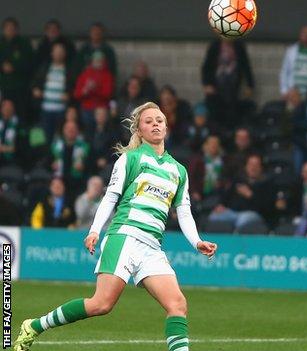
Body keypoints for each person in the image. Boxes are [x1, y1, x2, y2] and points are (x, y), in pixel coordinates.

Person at [14, 101, 217, 351]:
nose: (155, 124)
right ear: (139, 131)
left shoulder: (179, 171)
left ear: (167, 126)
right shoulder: (130, 159)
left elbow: (183, 211)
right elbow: (110, 197)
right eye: (149, 121)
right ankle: (34, 326)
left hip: (152, 246)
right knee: (101, 304)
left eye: (160, 120)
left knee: (177, 305)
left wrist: (197, 241)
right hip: (124, 236)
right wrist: (94, 230)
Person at [209, 154, 276, 231]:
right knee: (214, 216)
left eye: (256, 165)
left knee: (242, 220)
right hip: (232, 212)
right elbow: (227, 196)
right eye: (250, 164)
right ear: (246, 166)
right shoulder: (239, 180)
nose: (253, 168)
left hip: (253, 214)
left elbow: (267, 208)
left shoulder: (267, 183)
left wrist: (250, 195)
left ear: (261, 167)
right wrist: (221, 205)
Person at [201, 38, 255, 128]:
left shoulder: (239, 46)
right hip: (216, 87)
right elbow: (206, 67)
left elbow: (246, 66)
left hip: (232, 88)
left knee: (231, 115)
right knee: (215, 115)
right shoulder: (215, 46)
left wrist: (250, 85)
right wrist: (206, 84)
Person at [32, 42, 73, 143]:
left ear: (64, 54)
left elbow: (73, 87)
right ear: (52, 53)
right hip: (45, 108)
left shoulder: (68, 69)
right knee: (44, 137)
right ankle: (44, 157)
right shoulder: (45, 67)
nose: (58, 54)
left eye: (61, 51)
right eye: (56, 51)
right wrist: (36, 90)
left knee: (59, 137)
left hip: (61, 110)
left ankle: (57, 158)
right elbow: (34, 83)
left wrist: (69, 94)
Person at [73, 52, 114, 140]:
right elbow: (77, 94)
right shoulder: (85, 74)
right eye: (96, 60)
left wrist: (95, 88)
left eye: (100, 61)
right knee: (87, 132)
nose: (98, 62)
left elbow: (108, 94)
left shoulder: (107, 75)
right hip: (87, 109)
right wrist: (86, 90)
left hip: (101, 109)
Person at [0, 17, 33, 119]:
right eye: (7, 28)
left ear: (17, 30)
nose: (9, 30)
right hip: (3, 85)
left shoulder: (24, 44)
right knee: (4, 112)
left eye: (12, 28)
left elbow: (30, 62)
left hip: (20, 86)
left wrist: (14, 67)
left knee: (20, 113)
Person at [50, 120, 90, 203]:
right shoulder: (55, 145)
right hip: (59, 180)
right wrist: (52, 165)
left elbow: (92, 165)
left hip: (77, 182)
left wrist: (84, 166)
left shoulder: (85, 146)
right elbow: (46, 162)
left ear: (78, 131)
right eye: (68, 128)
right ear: (63, 130)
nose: (70, 130)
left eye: (73, 128)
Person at [188, 135, 224, 202]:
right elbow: (190, 177)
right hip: (200, 192)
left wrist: (221, 183)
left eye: (216, 144)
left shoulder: (223, 161)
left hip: (217, 192)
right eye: (211, 143)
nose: (214, 146)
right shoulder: (198, 160)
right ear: (205, 146)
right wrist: (194, 192)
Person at [0, 99, 19, 165]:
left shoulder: (18, 124)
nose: (7, 109)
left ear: (13, 108)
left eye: (9, 106)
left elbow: (16, 147)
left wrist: (3, 148)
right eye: (4, 106)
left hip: (11, 160)